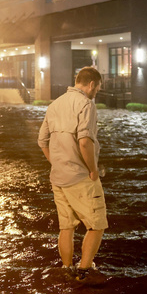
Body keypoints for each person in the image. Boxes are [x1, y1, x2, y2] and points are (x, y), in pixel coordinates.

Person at [38, 66, 107, 281]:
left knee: (66, 227)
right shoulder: (86, 105)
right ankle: (84, 272)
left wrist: (57, 163)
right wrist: (93, 170)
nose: (96, 93)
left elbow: (42, 141)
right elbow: (85, 141)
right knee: (96, 225)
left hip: (58, 177)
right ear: (91, 84)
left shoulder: (54, 104)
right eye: (97, 88)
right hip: (80, 178)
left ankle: (66, 268)